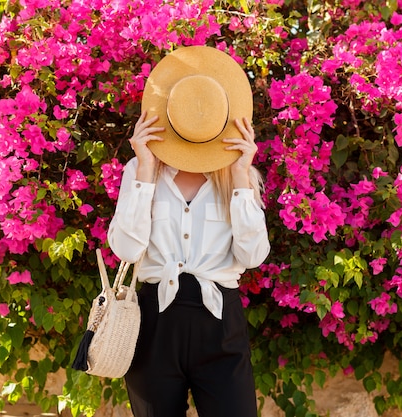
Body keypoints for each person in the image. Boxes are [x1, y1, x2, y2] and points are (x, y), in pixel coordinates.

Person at [107, 46, 270, 417]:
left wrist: (243, 176)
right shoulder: (140, 170)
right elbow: (127, 250)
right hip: (154, 324)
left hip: (220, 324)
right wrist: (146, 171)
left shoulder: (239, 176)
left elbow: (254, 256)